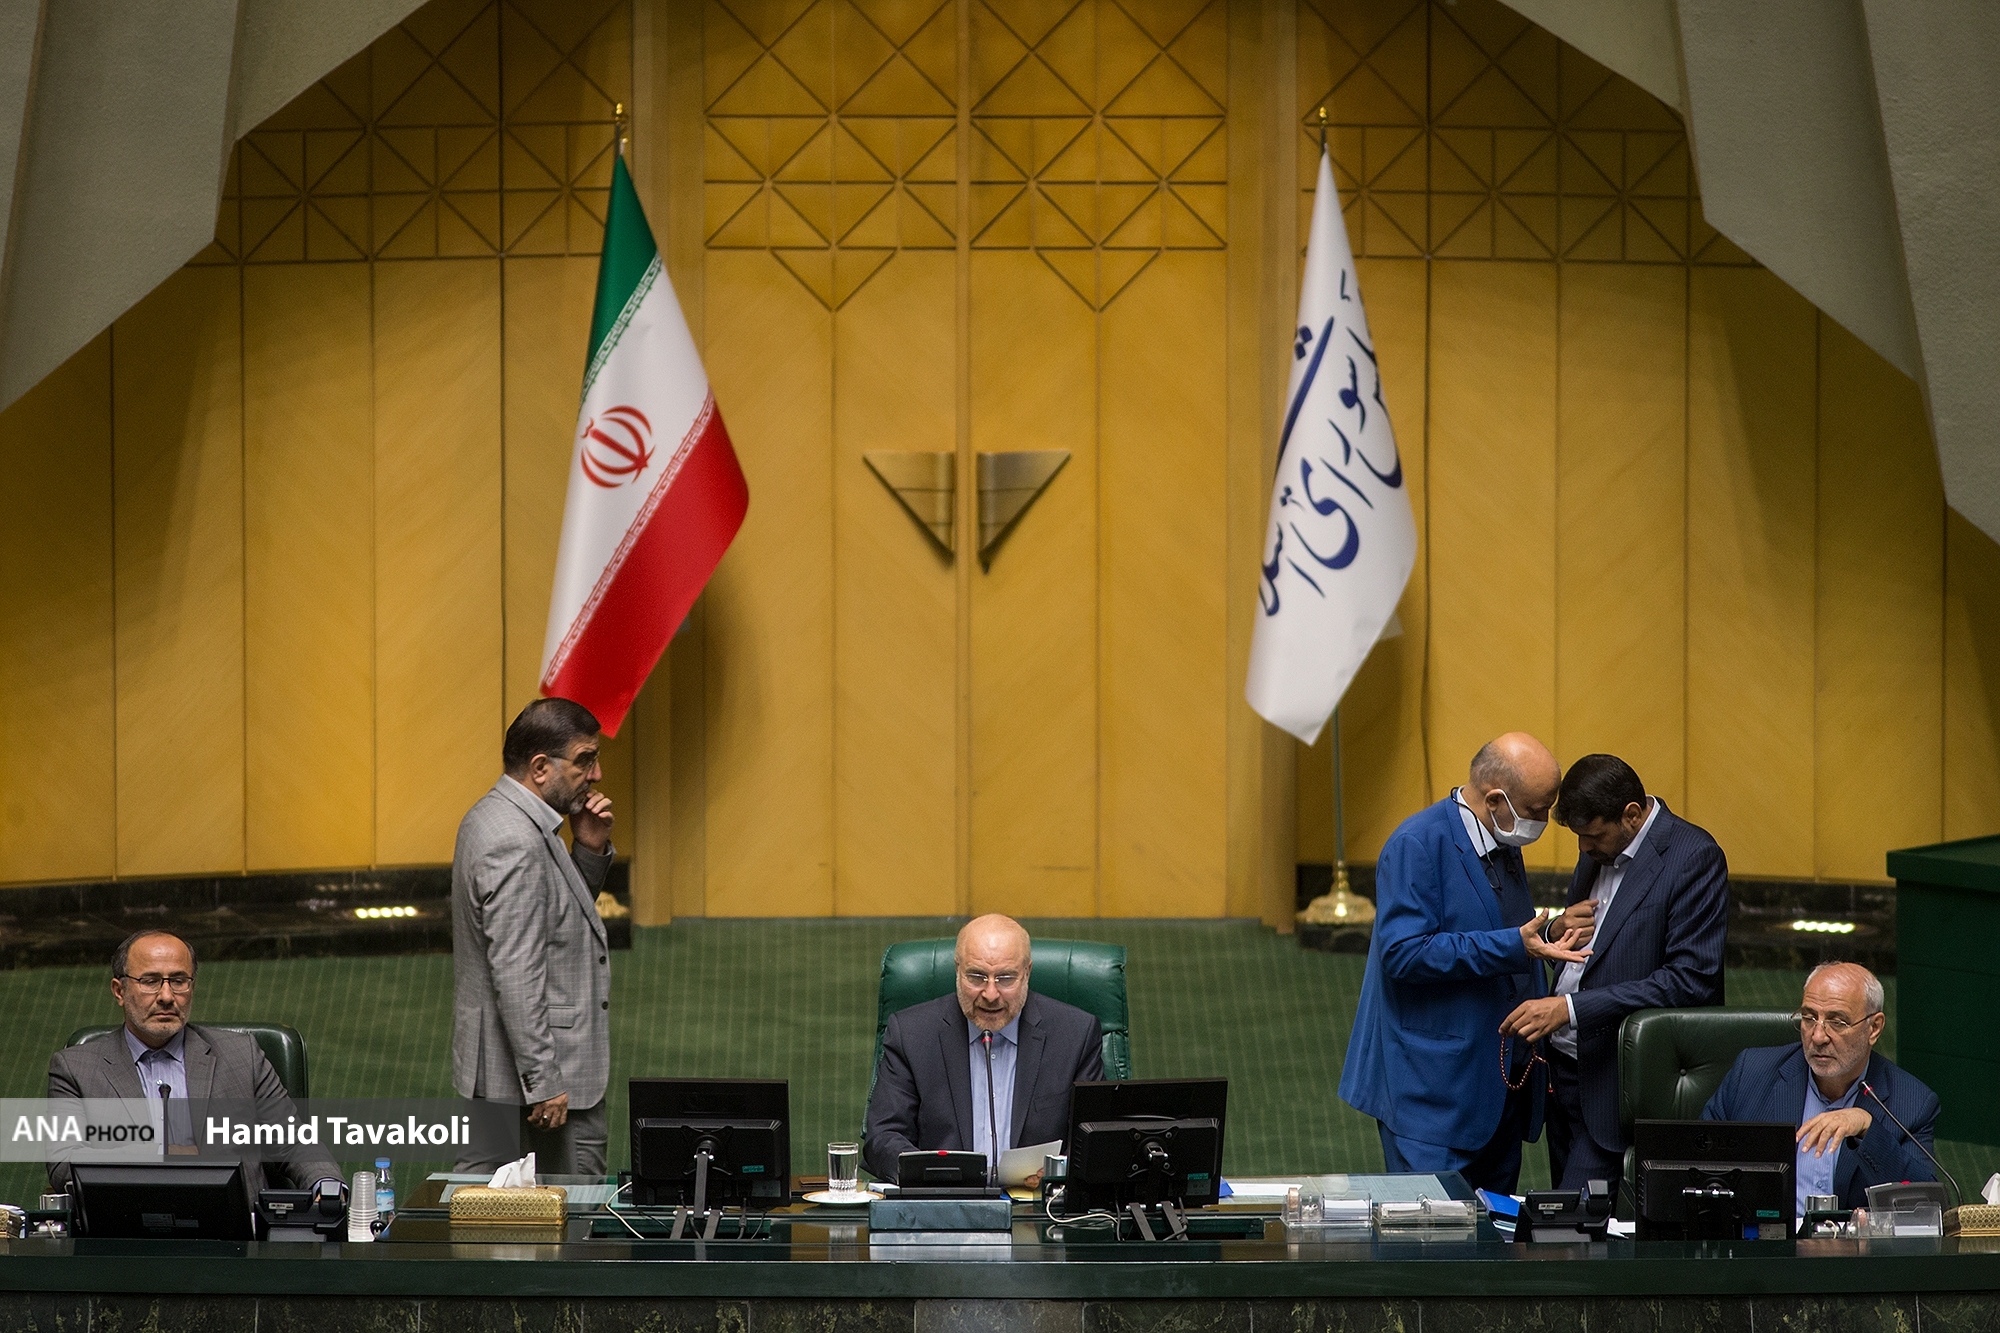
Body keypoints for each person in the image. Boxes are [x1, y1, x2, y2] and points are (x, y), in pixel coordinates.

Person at [1339, 733, 1590, 1193]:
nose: (1542, 823)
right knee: (1432, 1233)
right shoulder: (1416, 844)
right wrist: (1515, 945)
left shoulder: (1501, 837)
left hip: (1499, 1092)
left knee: (1493, 1232)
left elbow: (1501, 927)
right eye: (1536, 810)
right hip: (1431, 1096)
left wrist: (1550, 931)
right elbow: (1403, 953)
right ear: (1495, 800)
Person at [1499, 754, 1729, 1190]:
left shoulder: (1693, 857)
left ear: (1632, 814)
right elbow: (1594, 948)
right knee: (1567, 1210)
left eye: (1593, 836)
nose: (1583, 849)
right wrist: (1556, 932)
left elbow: (1690, 981)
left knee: (1574, 1216)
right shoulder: (1598, 849)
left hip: (1618, 1077)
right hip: (1564, 1072)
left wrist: (1570, 1009)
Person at [452, 697, 616, 1176]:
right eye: (585, 760)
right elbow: (517, 972)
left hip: (502, 1070)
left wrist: (588, 850)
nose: (597, 774)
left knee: (489, 1203)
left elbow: (551, 923)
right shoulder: (517, 841)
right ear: (540, 767)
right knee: (572, 1208)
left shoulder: (495, 816)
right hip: (539, 1078)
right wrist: (544, 1081)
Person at [46, 930, 342, 1194]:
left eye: (178, 981)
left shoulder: (242, 1055)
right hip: (129, 1229)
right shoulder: (76, 1069)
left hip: (235, 1232)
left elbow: (294, 1142)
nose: (166, 996)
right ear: (119, 991)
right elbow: (63, 1164)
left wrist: (326, 1184)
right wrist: (162, 1152)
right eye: (150, 981)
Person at [863, 914, 1102, 1185]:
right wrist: (931, 1174)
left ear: (1027, 973)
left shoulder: (1075, 1035)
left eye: (1005, 978)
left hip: (1037, 1203)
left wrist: (1061, 1172)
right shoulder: (912, 1034)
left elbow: (1095, 1137)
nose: (990, 994)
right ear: (957, 970)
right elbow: (883, 1136)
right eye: (976, 977)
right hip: (943, 1201)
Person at [1703, 962, 1938, 1214]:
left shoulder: (1912, 1101)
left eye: (1837, 1022)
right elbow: (1697, 1162)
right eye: (1809, 1018)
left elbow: (1925, 1205)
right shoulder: (1751, 1074)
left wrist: (1868, 1129)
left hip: (1850, 1240)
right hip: (1765, 1235)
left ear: (1874, 1028)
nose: (1818, 1037)